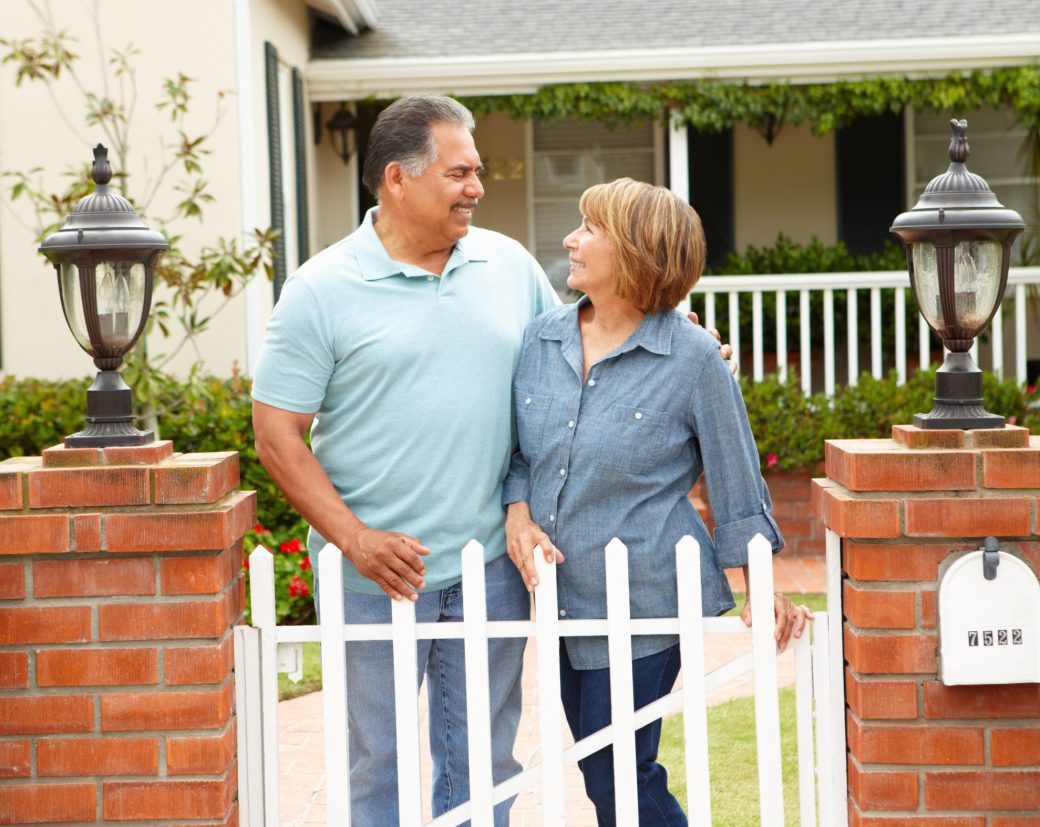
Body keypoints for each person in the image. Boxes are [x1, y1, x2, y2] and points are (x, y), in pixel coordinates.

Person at [251, 95, 560, 826]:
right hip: (374, 576)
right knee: (376, 763)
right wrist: (356, 540)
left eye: (477, 171)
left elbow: (570, 363)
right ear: (398, 178)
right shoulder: (321, 288)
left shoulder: (509, 266)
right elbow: (276, 434)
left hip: (489, 567)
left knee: (484, 762)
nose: (476, 188)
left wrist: (679, 342)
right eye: (459, 173)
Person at [502, 178, 811, 826]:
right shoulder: (541, 339)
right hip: (561, 599)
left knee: (618, 772)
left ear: (639, 251)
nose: (571, 240)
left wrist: (759, 580)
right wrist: (518, 511)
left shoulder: (693, 356)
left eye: (590, 228)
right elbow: (521, 454)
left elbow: (735, 479)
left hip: (645, 596)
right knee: (599, 766)